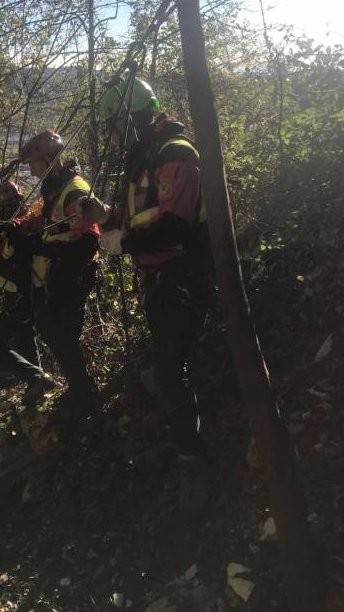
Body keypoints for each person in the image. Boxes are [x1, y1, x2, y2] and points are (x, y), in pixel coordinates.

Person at [89, 76, 212, 499]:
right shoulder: (142, 162)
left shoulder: (175, 155)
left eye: (116, 126)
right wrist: (104, 219)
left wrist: (126, 243)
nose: (113, 136)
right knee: (167, 363)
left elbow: (175, 226)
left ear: (132, 118)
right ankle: (184, 444)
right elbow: (130, 218)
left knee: (169, 365)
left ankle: (192, 462)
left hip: (185, 271)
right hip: (157, 275)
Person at [0, 129, 100, 417]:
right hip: (59, 274)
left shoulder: (74, 190)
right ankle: (80, 391)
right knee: (49, 328)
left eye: (33, 163)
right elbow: (43, 219)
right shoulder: (53, 189)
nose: (30, 169)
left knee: (62, 333)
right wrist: (18, 227)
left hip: (75, 272)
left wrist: (43, 250)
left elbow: (89, 239)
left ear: (48, 160)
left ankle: (84, 397)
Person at [0, 180, 54, 398]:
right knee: (25, 340)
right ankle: (36, 386)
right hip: (21, 296)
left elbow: (18, 272)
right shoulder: (18, 225)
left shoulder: (20, 230)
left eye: (5, 207)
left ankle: (37, 379)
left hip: (23, 297)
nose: (3, 211)